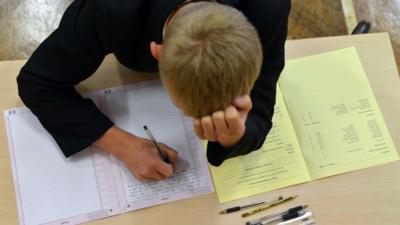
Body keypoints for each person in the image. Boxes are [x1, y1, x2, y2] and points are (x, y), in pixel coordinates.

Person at [17, 0, 291, 182]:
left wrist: (237, 135)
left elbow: (262, 103)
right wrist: (121, 144)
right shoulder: (110, 10)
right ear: (157, 53)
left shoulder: (267, 8)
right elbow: (37, 82)